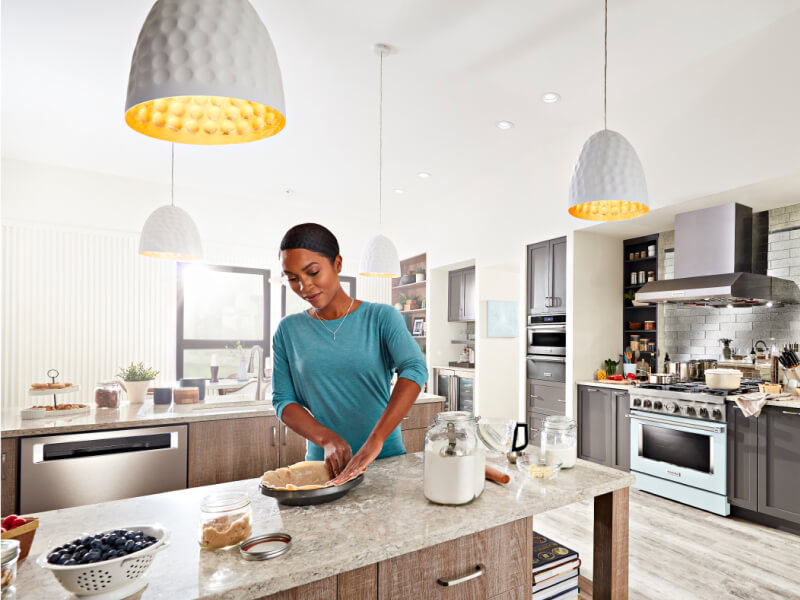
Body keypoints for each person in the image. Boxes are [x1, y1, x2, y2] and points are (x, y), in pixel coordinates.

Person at [272, 223, 428, 484]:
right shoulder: (288, 330)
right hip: (322, 467)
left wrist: (375, 441)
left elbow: (415, 368)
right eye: (292, 278)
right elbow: (283, 401)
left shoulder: (381, 317)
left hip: (385, 461)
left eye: (312, 272)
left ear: (338, 264)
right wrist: (327, 439)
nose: (304, 286)